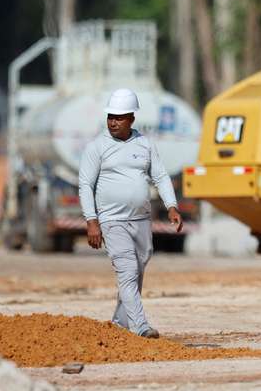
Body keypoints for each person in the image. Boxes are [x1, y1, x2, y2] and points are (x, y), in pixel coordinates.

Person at [78, 87, 183, 339]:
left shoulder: (144, 144)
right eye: (110, 116)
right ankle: (140, 327)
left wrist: (171, 206)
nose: (113, 121)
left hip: (141, 220)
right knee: (126, 269)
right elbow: (85, 185)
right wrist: (92, 222)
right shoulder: (97, 147)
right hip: (112, 221)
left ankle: (119, 322)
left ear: (132, 119)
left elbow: (160, 176)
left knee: (138, 267)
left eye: (119, 117)